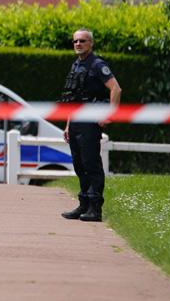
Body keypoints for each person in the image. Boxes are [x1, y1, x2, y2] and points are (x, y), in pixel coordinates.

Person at [59, 28, 120, 222]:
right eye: (76, 41)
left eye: (83, 41)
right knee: (78, 164)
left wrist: (110, 115)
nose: (78, 44)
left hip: (90, 120)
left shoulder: (97, 64)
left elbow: (116, 89)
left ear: (91, 43)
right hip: (76, 120)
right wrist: (68, 124)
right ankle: (83, 204)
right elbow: (73, 99)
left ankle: (95, 208)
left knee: (90, 163)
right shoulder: (76, 64)